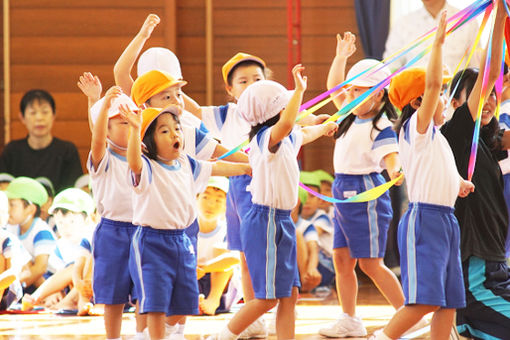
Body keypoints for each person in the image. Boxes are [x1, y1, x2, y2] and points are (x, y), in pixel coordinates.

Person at [209, 65, 337, 340]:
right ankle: (223, 336)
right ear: (273, 114)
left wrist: (324, 127)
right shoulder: (266, 138)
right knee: (266, 299)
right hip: (264, 220)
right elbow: (289, 124)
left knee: (289, 294)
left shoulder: (287, 137)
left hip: (282, 221)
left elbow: (303, 132)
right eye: (284, 104)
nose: (289, 108)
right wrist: (300, 91)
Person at [373, 12, 474, 340]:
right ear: (419, 102)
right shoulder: (418, 129)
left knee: (448, 302)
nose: (443, 97)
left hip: (446, 221)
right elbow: (431, 85)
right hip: (425, 222)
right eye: (438, 94)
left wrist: (458, 183)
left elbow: (439, 168)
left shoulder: (435, 136)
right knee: (424, 302)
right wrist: (439, 44)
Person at [120, 103, 250, 340]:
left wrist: (245, 167)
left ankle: (161, 334)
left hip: (182, 240)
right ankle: (156, 335)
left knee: (184, 302)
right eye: (164, 131)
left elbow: (216, 167)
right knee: (156, 302)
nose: (174, 134)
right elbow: (133, 161)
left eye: (177, 128)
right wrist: (134, 130)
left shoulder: (186, 162)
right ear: (147, 143)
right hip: (152, 242)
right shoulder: (147, 166)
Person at [319, 32, 405, 338]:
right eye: (351, 90)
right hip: (342, 193)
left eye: (361, 91)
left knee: (370, 263)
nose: (352, 96)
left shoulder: (381, 126)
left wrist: (395, 172)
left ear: (379, 94)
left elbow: (392, 159)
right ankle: (350, 318)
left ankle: (406, 313)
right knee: (342, 259)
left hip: (366, 193)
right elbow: (333, 87)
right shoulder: (347, 115)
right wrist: (341, 56)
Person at [440, 2, 510, 337]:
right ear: (456, 103)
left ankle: (464, 325)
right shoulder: (456, 132)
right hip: (476, 259)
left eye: (494, 98)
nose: (490, 101)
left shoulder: (485, 139)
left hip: (493, 258)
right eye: (482, 97)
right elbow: (490, 72)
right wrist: (498, 19)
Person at [86, 85, 145, 340]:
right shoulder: (103, 158)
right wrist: (98, 102)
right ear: (107, 130)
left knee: (146, 290)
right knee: (113, 295)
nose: (127, 124)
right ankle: (113, 337)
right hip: (112, 231)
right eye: (121, 121)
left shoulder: (145, 157)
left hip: (143, 229)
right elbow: (96, 139)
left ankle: (143, 334)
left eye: (130, 119)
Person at [21, 188, 95, 314]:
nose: (66, 228)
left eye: (72, 222)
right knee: (71, 269)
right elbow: (56, 275)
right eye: (60, 223)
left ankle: (69, 301)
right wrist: (54, 292)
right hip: (73, 289)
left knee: (75, 267)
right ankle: (36, 297)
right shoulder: (61, 246)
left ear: (88, 220)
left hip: (92, 288)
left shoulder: (92, 239)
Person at [0, 90, 83, 193]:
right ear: (22, 117)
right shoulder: (11, 151)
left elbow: (74, 191)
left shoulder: (67, 151)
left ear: (54, 115)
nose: (39, 118)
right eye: (33, 113)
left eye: (45, 112)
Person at [383, 0, 479, 72]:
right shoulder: (403, 23)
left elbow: (476, 68)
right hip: (414, 97)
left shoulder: (467, 21)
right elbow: (390, 68)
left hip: (454, 96)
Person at [196, 176, 240, 316]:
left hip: (220, 287)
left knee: (221, 251)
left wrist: (205, 268)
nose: (211, 205)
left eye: (218, 200)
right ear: (196, 198)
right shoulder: (187, 227)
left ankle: (212, 301)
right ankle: (193, 300)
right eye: (206, 198)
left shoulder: (227, 229)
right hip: (192, 277)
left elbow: (235, 258)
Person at [4, 177, 55, 292]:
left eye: (12, 205)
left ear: (30, 209)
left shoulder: (41, 231)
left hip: (48, 283)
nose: (8, 209)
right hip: (27, 280)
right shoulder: (12, 228)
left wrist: (10, 287)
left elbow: (40, 268)